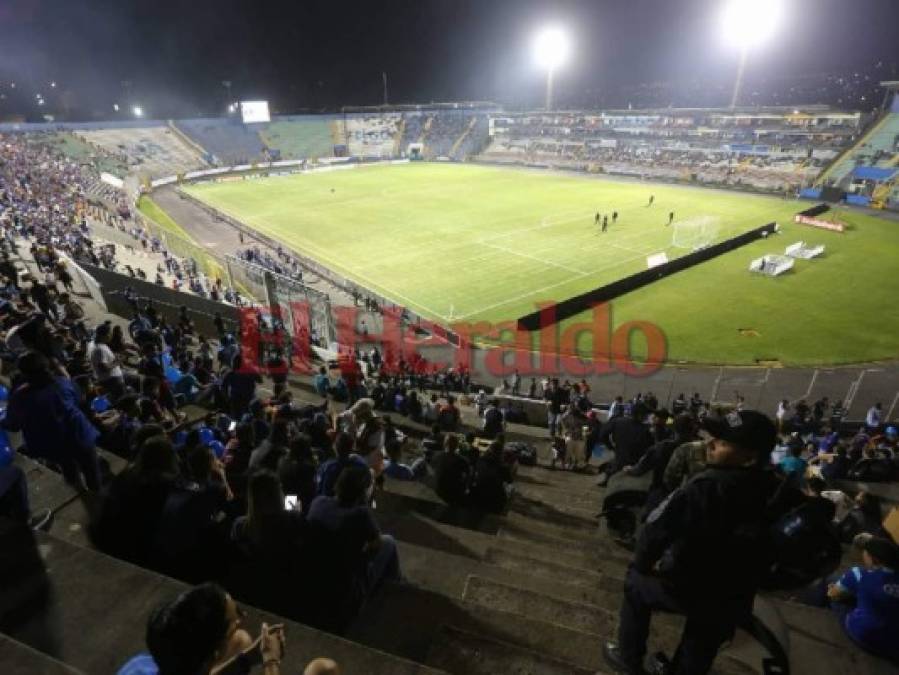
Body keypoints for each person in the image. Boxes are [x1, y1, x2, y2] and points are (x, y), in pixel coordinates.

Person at [603, 410, 783, 675]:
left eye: (722, 442)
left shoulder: (707, 486)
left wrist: (642, 563)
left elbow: (654, 531)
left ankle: (628, 659)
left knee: (635, 583)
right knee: (705, 634)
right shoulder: (775, 487)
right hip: (735, 593)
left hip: (690, 584)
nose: (710, 443)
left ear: (750, 457)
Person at [116, 583, 286, 675]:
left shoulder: (138, 665)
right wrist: (271, 662)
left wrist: (246, 660)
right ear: (216, 653)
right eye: (235, 622)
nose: (243, 618)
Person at [4, 351, 101, 491]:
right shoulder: (64, 383)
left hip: (53, 445)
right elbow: (81, 402)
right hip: (80, 436)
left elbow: (13, 425)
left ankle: (80, 490)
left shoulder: (20, 396)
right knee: (92, 473)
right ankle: (96, 495)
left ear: (24, 373)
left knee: (69, 470)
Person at [308, 466, 402, 594]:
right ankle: (395, 584)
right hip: (348, 588)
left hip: (317, 574)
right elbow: (376, 545)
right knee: (389, 541)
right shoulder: (360, 514)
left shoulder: (318, 502)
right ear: (362, 492)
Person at [826, 537, 899, 662]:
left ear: (873, 558)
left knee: (831, 583)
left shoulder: (858, 573)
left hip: (863, 636)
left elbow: (833, 595)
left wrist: (832, 589)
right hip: (894, 648)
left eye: (865, 554)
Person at [596, 403, 653, 487]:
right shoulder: (645, 430)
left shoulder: (618, 421)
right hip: (633, 470)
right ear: (640, 414)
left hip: (617, 464)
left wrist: (610, 446)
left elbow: (602, 434)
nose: (646, 416)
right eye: (645, 414)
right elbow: (648, 449)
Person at [432, 435, 471, 505]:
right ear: (457, 446)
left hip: (437, 490)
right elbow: (468, 477)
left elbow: (434, 469)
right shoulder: (462, 461)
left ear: (445, 444)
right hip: (452, 494)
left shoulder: (437, 455)